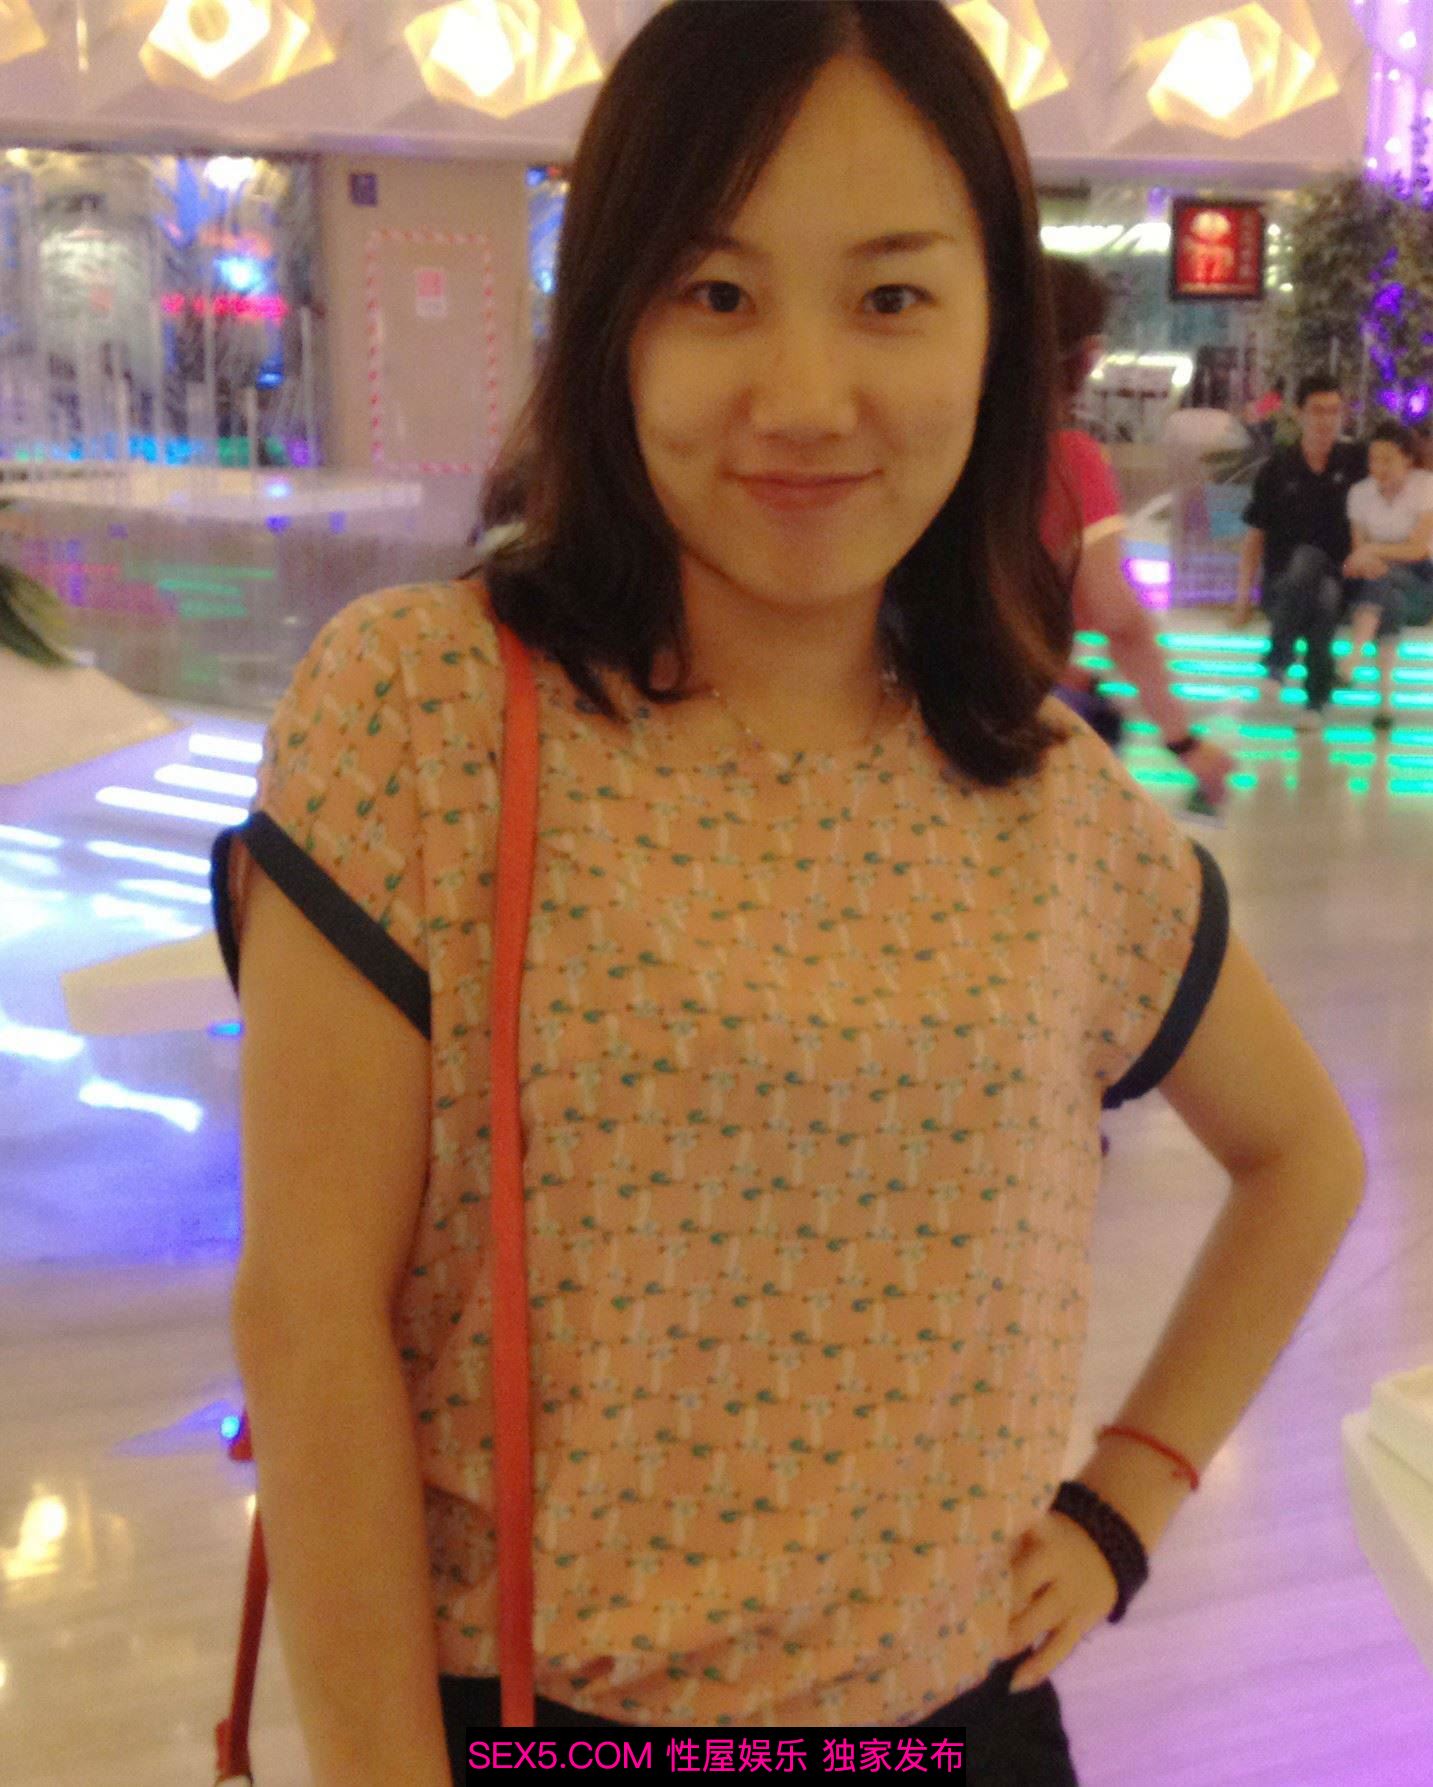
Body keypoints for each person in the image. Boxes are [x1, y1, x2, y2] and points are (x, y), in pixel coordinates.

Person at [212, 6, 1364, 1785]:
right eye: (717, 292)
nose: (809, 397)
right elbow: (311, 1320)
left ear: (993, 335)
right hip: (543, 1727)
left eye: (891, 295)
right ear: (613, 321)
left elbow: (1303, 1156)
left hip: (958, 1728)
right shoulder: (423, 714)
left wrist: (1128, 1494)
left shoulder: (1050, 799)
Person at [1043, 256, 1235, 809]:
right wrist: (1183, 740)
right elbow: (1117, 616)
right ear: (1089, 355)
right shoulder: (1070, 462)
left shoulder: (938, 452)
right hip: (1017, 733)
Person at [1232, 374, 1367, 726]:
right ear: (1298, 413)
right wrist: (1243, 597)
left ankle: (1277, 663)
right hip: (1283, 585)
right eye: (1318, 410)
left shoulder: (1356, 462)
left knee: (1321, 578)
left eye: (1334, 411)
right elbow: (1255, 537)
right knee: (1315, 581)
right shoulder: (1276, 469)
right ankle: (1316, 702)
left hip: (1341, 578)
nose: (1327, 420)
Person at [1341, 418, 1433, 729]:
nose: (1378, 467)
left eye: (1387, 460)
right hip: (1379, 585)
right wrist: (1369, 555)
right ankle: (1385, 703)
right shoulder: (1359, 493)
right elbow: (1360, 555)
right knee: (1387, 595)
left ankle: (1355, 657)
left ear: (1407, 459)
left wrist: (1373, 550)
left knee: (1384, 579)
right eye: (1373, 459)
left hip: (1420, 582)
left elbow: (1417, 550)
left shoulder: (1426, 486)